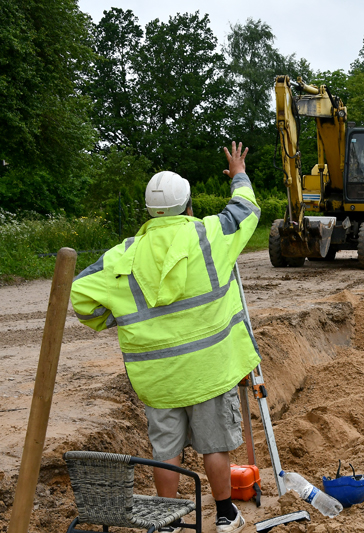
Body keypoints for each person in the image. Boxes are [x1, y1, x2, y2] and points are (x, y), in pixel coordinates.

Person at [70, 142, 259, 533]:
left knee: (166, 451)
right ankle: (226, 516)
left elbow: (80, 294)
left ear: (149, 212)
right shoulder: (209, 235)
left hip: (157, 377)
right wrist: (238, 173)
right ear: (189, 206)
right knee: (215, 445)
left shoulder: (123, 255)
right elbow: (245, 210)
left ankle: (168, 523)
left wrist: (114, 316)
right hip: (208, 370)